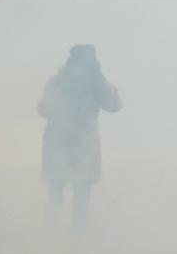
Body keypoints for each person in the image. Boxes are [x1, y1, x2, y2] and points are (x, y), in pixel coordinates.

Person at [38, 44, 122, 230]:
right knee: (58, 197)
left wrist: (101, 83)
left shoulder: (94, 83)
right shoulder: (59, 83)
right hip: (64, 146)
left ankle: (72, 242)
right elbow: (43, 109)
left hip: (80, 148)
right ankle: (51, 238)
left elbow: (114, 105)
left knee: (76, 198)